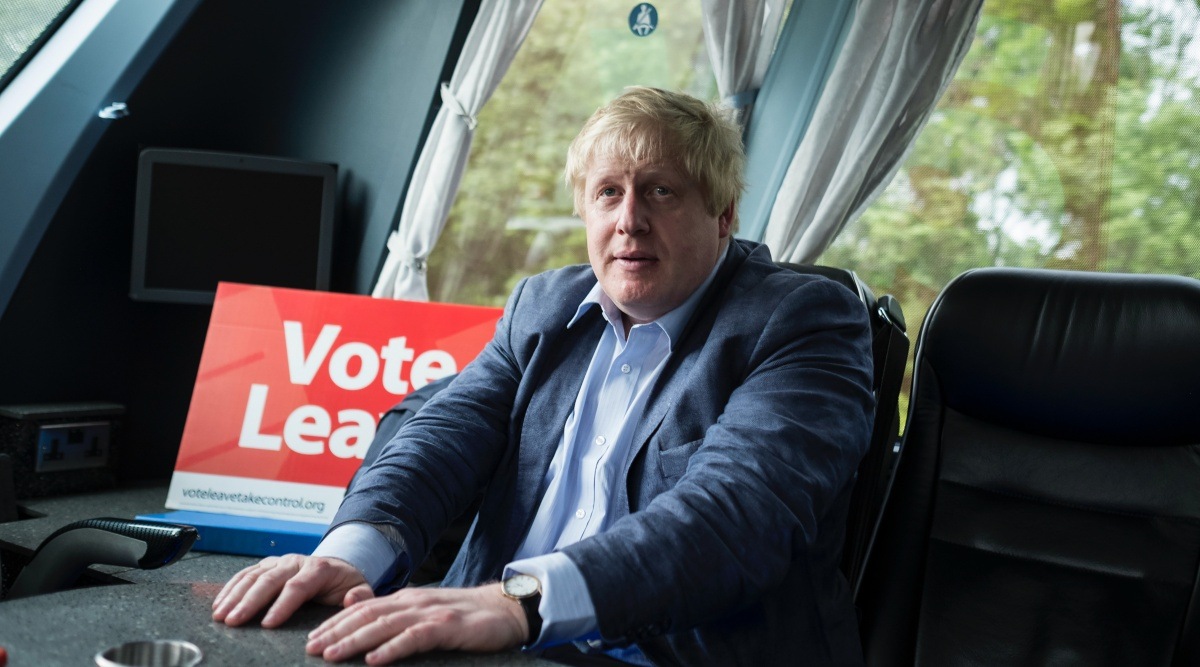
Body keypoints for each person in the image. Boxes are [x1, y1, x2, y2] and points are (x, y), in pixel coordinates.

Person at [212, 86, 874, 666]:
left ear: (725, 214)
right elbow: (440, 434)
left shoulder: (804, 321)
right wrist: (352, 553)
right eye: (608, 192)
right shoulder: (544, 305)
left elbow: (735, 519)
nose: (629, 219)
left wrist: (518, 601)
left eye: (662, 191)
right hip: (488, 640)